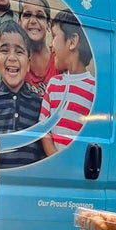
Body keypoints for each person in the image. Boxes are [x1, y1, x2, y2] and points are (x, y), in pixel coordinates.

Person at [0, 21, 44, 161]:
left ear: (28, 63)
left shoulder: (39, 104)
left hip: (28, 180)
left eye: (19, 51)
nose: (12, 57)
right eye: (4, 50)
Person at [39, 9, 96, 156]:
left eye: (54, 36)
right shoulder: (53, 85)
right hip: (56, 168)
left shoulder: (94, 89)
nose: (50, 45)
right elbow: (44, 129)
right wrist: (57, 160)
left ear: (72, 42)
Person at [17, 0, 59, 96]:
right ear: (19, 23)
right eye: (27, 15)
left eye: (40, 16)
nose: (33, 21)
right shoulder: (15, 62)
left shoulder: (60, 61)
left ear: (48, 25)